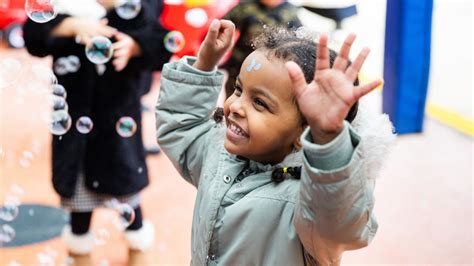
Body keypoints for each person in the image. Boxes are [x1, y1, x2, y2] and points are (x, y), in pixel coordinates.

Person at [156, 19, 394, 265]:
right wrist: (204, 64)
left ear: (304, 132)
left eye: (260, 103)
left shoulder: (310, 200)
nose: (235, 106)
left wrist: (327, 140)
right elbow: (183, 128)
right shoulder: (219, 155)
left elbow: (341, 224)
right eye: (238, 89)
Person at [23, 0, 169, 255]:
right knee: (79, 209)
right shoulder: (65, 7)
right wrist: (69, 24)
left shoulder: (135, 8)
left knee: (129, 203)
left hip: (118, 129)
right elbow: (34, 36)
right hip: (75, 132)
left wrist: (135, 47)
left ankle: (137, 249)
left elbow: (161, 42)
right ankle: (80, 252)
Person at [222, 0, 302, 98]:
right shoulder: (246, 5)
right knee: (233, 95)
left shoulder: (291, 12)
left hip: (269, 71)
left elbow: (297, 42)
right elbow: (224, 25)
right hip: (239, 65)